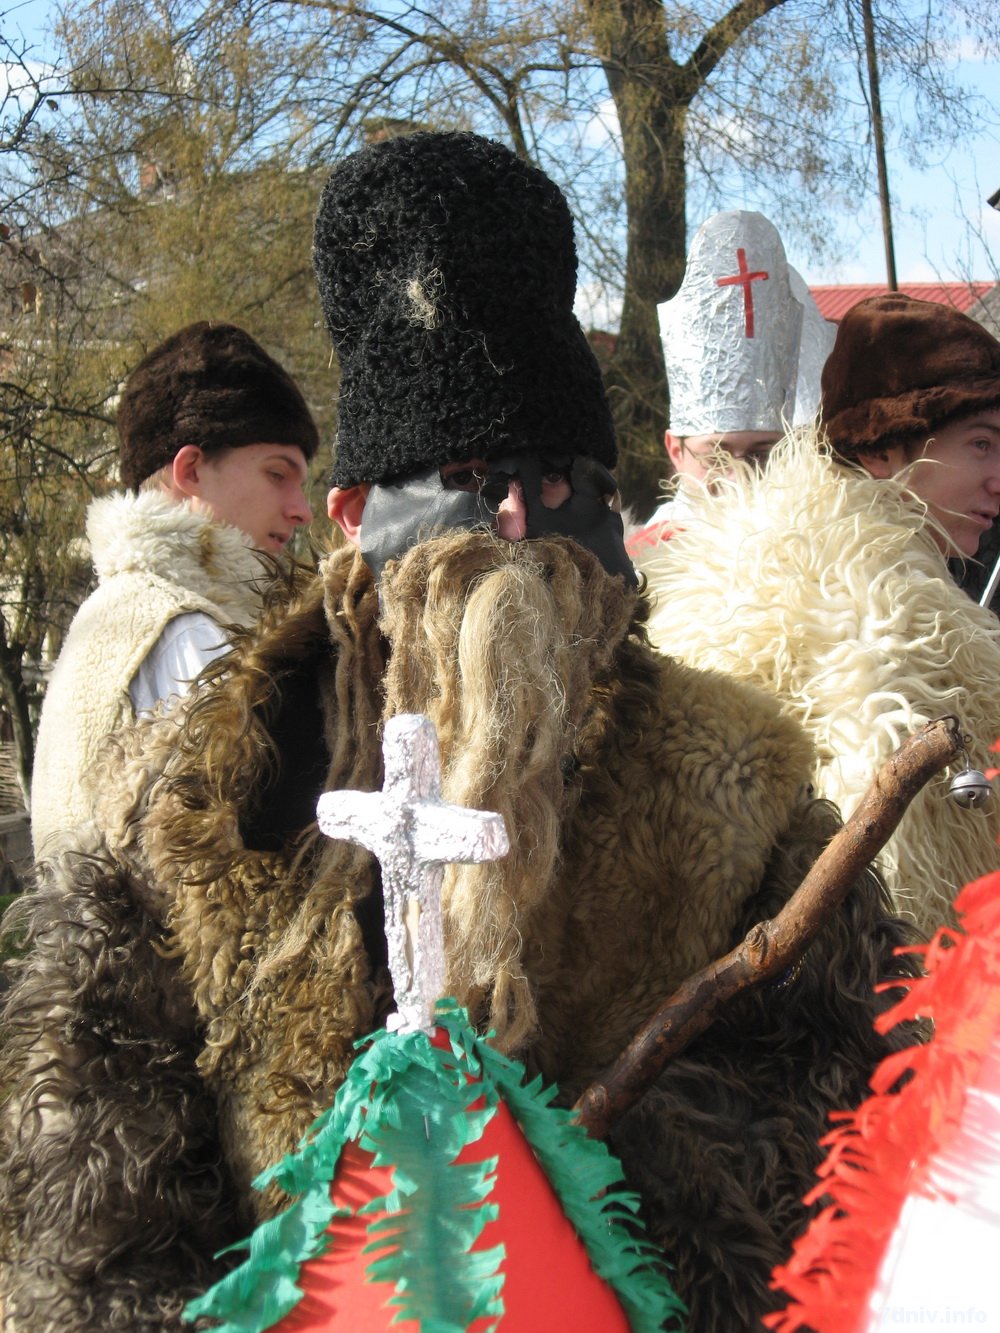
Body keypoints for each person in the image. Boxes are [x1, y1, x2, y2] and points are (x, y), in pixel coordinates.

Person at [0, 133, 917, 1332]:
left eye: (560, 476)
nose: (518, 520)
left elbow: (838, 1102)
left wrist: (595, 1206)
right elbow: (97, 1172)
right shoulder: (201, 791)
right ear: (350, 518)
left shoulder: (743, 789)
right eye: (470, 471)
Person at [635, 292, 1000, 934]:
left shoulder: (771, 549)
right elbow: (908, 895)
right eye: (982, 445)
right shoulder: (885, 614)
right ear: (884, 449)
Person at [29, 321, 318, 853]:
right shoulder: (187, 633)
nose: (301, 509)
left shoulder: (113, 614)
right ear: (191, 471)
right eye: (279, 474)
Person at [627, 210, 835, 553]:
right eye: (717, 455)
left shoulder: (821, 552)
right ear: (676, 451)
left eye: (760, 455)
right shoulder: (641, 563)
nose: (738, 479)